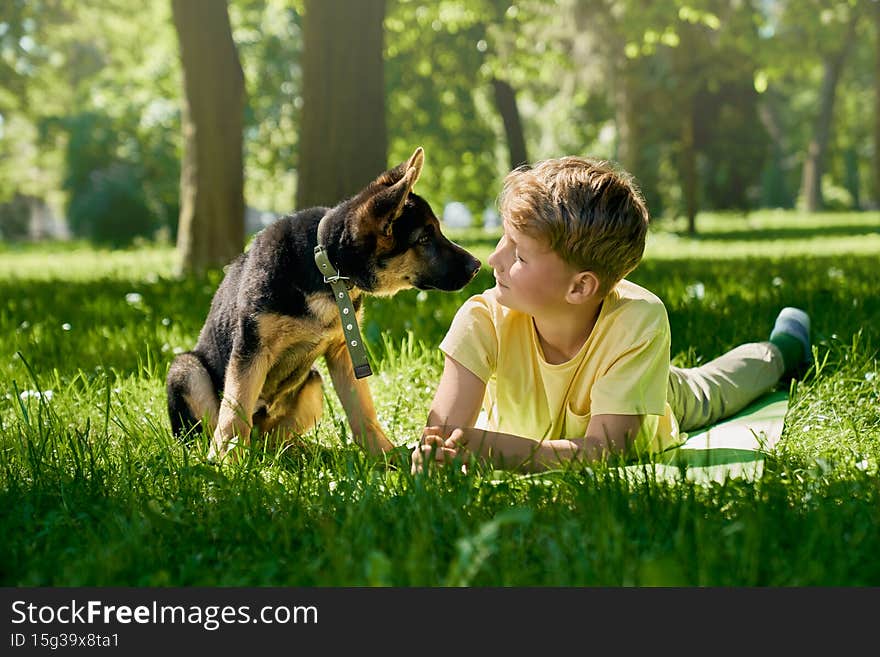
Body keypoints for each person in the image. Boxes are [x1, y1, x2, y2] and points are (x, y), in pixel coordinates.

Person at [410, 156, 811, 474]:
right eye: (503, 239)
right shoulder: (482, 319)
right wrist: (435, 456)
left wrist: (510, 452)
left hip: (647, 399)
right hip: (615, 386)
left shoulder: (638, 321)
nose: (494, 259)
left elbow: (606, 452)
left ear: (580, 287)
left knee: (711, 391)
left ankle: (784, 347)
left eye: (518, 255)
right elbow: (440, 435)